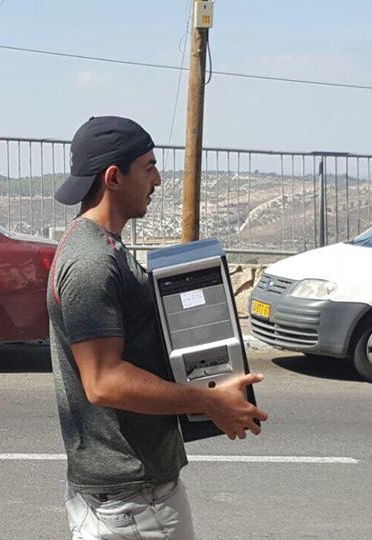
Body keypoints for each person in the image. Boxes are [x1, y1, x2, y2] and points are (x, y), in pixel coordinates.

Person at [47, 116, 269, 539]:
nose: (159, 180)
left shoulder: (105, 247)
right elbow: (104, 382)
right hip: (135, 503)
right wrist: (209, 402)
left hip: (131, 497)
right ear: (114, 177)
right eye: (148, 168)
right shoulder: (92, 262)